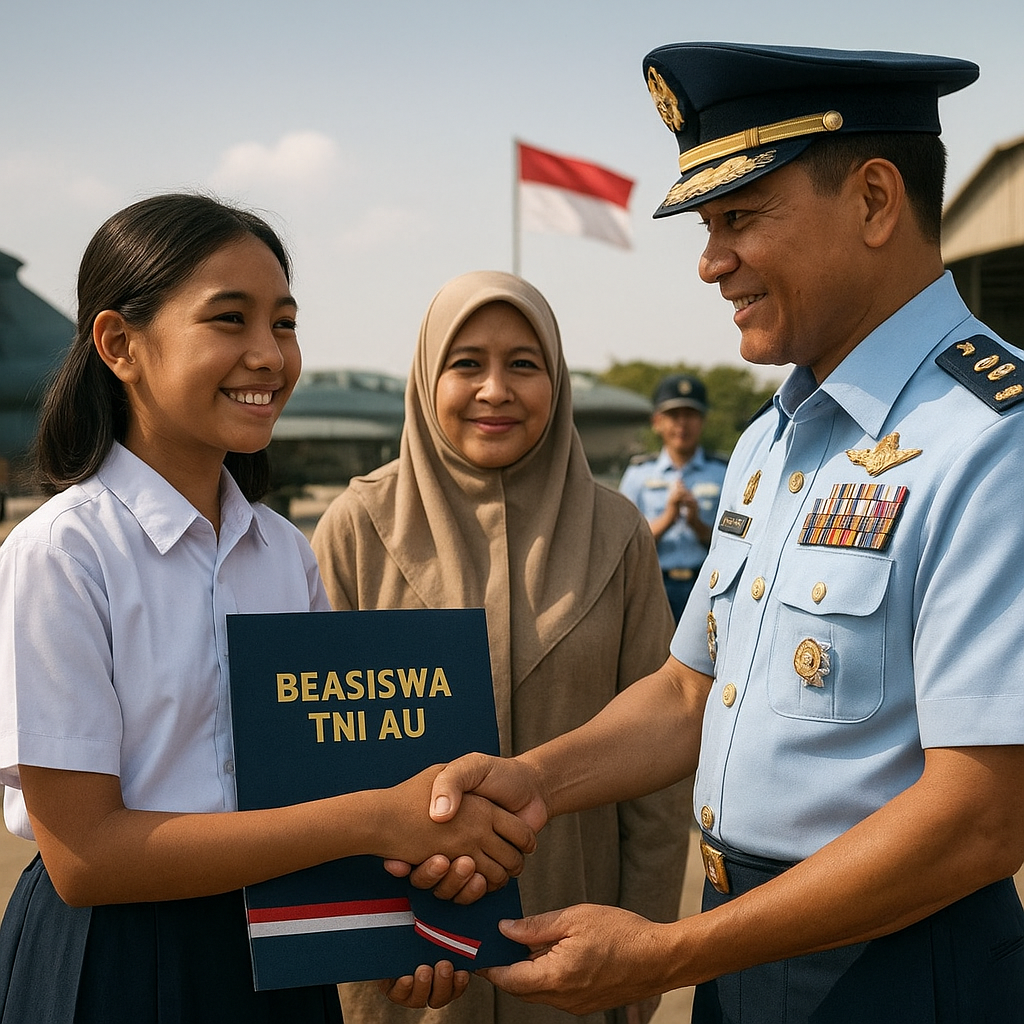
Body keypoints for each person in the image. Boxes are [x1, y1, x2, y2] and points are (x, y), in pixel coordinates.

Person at [411, 43, 1024, 1023]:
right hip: (747, 955)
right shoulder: (770, 442)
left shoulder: (992, 439)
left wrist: (668, 951)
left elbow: (982, 817)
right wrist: (534, 779)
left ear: (873, 201)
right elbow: (684, 691)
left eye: (738, 218)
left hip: (899, 968)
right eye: (706, 227)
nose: (709, 262)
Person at [0, 195, 535, 1024]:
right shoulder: (62, 555)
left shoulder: (283, 552)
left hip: (276, 947)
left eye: (283, 323)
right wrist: (377, 820)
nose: (269, 356)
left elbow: (311, 784)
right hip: (115, 960)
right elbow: (86, 858)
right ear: (119, 344)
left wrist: (398, 932)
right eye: (230, 319)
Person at [311, 270, 688, 1024]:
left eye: (524, 363)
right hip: (408, 978)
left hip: (573, 969)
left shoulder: (615, 535)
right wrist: (361, 970)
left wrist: (637, 965)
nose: (495, 390)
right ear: (426, 377)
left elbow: (658, 784)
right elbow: (317, 771)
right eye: (465, 363)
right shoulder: (355, 527)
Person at [618, 374, 726, 621]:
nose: (682, 424)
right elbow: (624, 543)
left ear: (703, 421)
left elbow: (735, 545)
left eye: (690, 415)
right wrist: (668, 517)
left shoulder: (723, 472)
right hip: (652, 585)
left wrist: (697, 524)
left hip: (705, 584)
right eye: (673, 415)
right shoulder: (638, 474)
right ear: (657, 421)